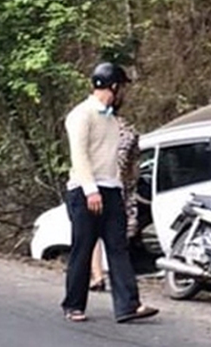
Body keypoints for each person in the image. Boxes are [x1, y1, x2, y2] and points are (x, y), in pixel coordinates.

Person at [61, 62, 159, 323]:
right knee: (83, 248)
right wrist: (91, 190)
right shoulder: (81, 115)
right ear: (113, 86)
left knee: (118, 247)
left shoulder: (112, 119)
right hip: (85, 191)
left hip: (112, 188)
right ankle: (73, 304)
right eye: (122, 88)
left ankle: (129, 304)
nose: (124, 94)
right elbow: (79, 156)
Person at [89, 114, 141, 292]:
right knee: (117, 237)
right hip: (118, 187)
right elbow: (134, 164)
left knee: (96, 232)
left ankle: (98, 276)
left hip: (104, 185)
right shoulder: (129, 132)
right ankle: (110, 277)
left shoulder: (101, 131)